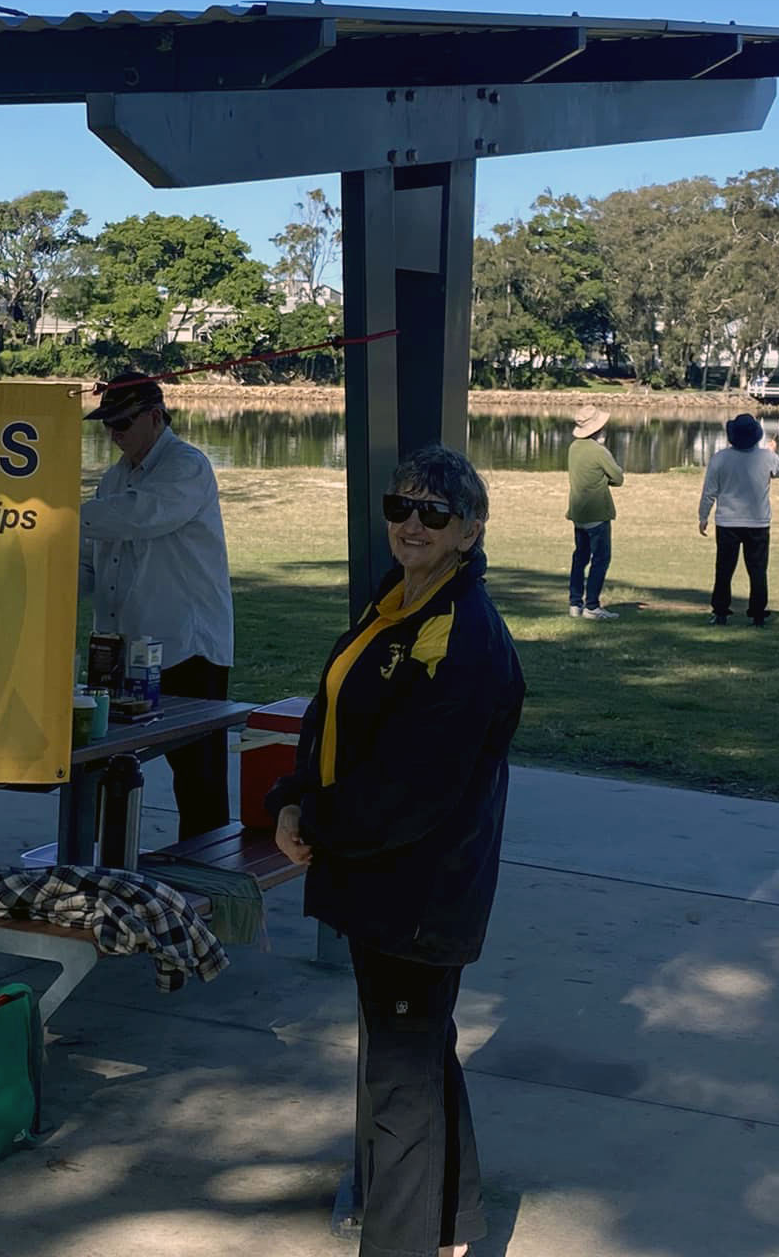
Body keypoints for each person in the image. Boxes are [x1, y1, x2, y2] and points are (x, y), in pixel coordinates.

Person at [267, 445, 524, 1257]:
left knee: (399, 1085)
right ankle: (456, 1224)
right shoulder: (398, 605)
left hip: (419, 889)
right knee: (418, 1053)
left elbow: (417, 784)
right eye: (400, 507)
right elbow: (332, 712)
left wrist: (322, 823)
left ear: (469, 530)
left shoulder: (463, 633)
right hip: (374, 874)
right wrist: (293, 799)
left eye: (434, 512)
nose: (412, 523)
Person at [79, 373, 235, 838]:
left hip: (187, 648)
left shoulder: (187, 466)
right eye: (107, 424)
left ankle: (208, 888)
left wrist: (55, 512)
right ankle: (113, 868)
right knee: (110, 769)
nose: (114, 434)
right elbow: (91, 566)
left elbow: (141, 517)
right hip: (120, 652)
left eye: (123, 422)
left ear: (154, 416)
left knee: (199, 780)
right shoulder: (112, 481)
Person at [698, 413, 779, 627]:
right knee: (757, 570)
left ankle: (720, 611)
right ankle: (757, 613)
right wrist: (772, 452)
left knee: (724, 569)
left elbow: (709, 491)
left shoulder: (720, 458)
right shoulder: (767, 457)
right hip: (758, 522)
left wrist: (703, 516)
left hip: (727, 522)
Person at [566, 405, 624, 620]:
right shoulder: (599, 451)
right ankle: (592, 605)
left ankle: (575, 603)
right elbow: (618, 477)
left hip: (578, 512)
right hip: (597, 513)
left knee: (579, 558)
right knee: (600, 558)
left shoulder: (574, 448)